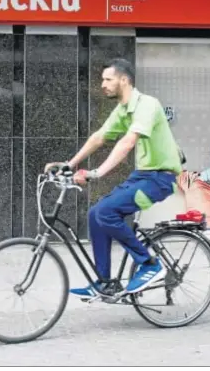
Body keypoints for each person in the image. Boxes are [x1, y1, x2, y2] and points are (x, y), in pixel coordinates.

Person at [45, 58, 182, 297]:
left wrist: (95, 173)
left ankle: (150, 265)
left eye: (108, 79)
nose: (103, 85)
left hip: (160, 179)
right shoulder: (123, 110)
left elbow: (128, 142)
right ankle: (105, 282)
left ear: (124, 80)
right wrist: (70, 164)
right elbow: (99, 138)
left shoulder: (147, 105)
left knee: (107, 212)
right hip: (142, 176)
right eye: (102, 80)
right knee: (95, 214)